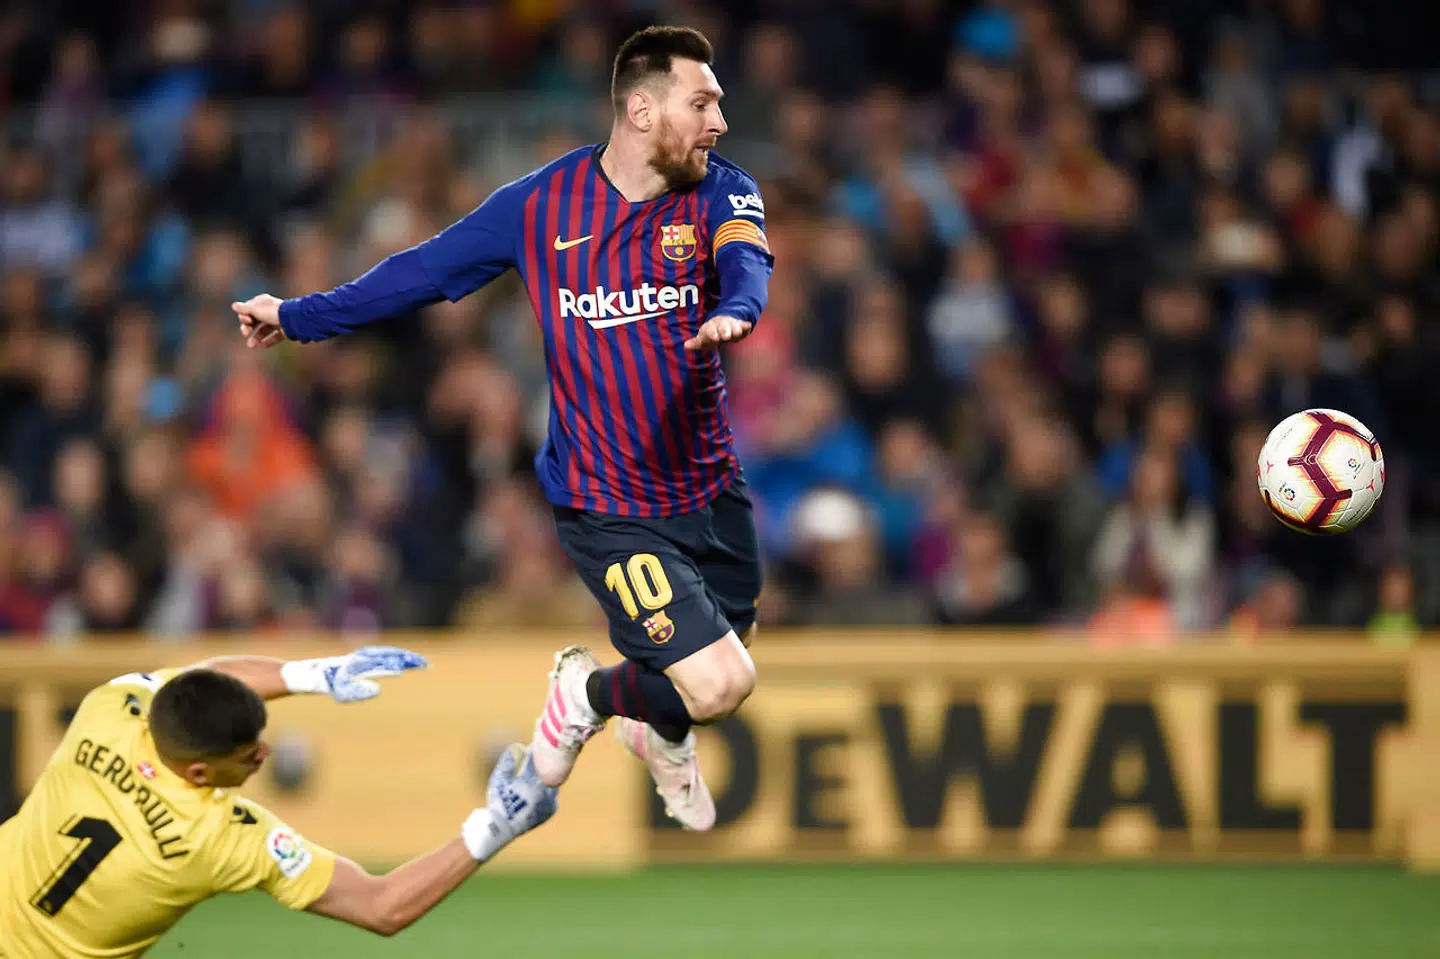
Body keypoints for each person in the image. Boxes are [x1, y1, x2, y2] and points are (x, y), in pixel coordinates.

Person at [232, 26, 774, 831]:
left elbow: (746, 259)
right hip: (609, 503)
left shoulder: (723, 190)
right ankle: (586, 694)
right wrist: (299, 316)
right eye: (702, 103)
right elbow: (420, 272)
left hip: (708, 482)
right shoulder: (540, 206)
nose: (719, 121)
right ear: (641, 109)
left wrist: (738, 309)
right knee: (721, 683)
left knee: (719, 655)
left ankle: (654, 730)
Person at [0, 647, 557, 956]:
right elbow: (381, 906)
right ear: (200, 772)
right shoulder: (221, 838)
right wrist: (496, 827)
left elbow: (200, 681)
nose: (263, 755)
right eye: (247, 755)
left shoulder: (107, 710)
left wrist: (314, 675)